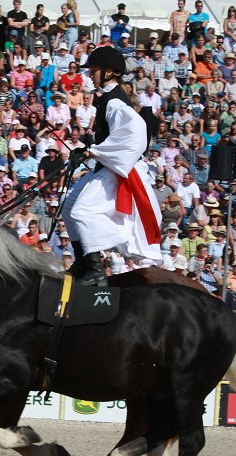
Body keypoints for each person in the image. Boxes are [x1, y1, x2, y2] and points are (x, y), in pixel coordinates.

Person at [61, 46, 161, 285]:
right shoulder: (106, 97)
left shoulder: (115, 102)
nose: (90, 75)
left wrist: (91, 151)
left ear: (109, 73)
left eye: (94, 71)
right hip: (106, 165)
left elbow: (135, 136)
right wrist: (87, 152)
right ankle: (84, 263)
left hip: (118, 170)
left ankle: (97, 273)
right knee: (68, 205)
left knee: (81, 211)